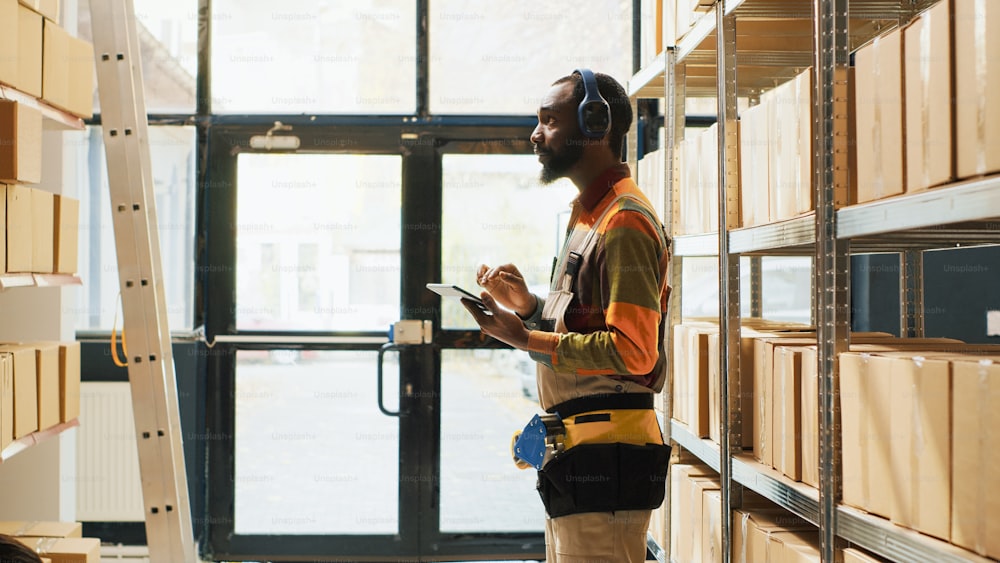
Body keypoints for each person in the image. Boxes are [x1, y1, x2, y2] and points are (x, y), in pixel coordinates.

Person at [461, 69, 672, 563]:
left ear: (594, 124)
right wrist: (530, 307)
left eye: (549, 121)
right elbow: (591, 323)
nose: (536, 134)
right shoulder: (589, 215)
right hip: (581, 448)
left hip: (607, 454)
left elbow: (634, 350)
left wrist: (524, 339)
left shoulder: (624, 222)